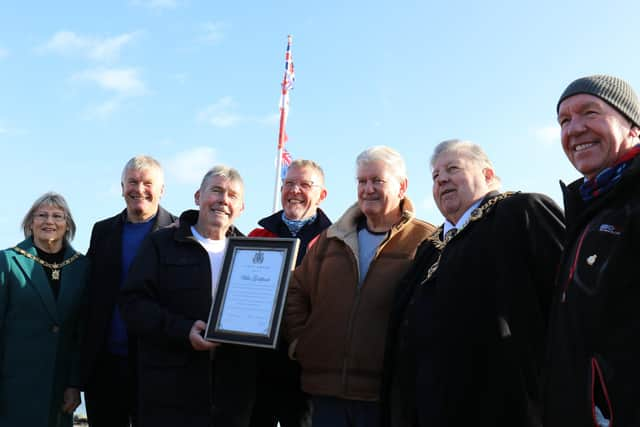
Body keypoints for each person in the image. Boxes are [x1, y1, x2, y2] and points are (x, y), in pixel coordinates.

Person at [382, 139, 565, 427]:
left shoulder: (521, 212)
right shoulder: (428, 248)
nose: (441, 179)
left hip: (503, 405)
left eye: (452, 168)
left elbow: (569, 306)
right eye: (435, 176)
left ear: (487, 175)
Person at [285, 146, 434, 427]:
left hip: (386, 397)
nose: (368, 189)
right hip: (326, 396)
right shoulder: (330, 239)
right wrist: (300, 342)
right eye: (362, 181)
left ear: (402, 186)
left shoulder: (426, 240)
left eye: (377, 180)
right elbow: (296, 289)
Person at [121, 165, 251, 427]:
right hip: (169, 395)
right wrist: (182, 330)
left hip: (230, 398)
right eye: (216, 191)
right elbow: (133, 304)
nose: (223, 200)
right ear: (197, 197)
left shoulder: (252, 254)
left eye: (232, 195)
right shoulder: (161, 243)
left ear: (241, 208)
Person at [545, 75, 640, 427]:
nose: (575, 129)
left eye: (590, 112)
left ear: (633, 128)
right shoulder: (587, 211)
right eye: (564, 121)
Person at [81, 155, 176, 427]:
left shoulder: (180, 232)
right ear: (122, 187)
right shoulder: (102, 231)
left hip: (157, 365)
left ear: (162, 190)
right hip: (106, 366)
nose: (140, 189)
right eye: (132, 182)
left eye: (148, 183)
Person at [248, 159, 331, 427]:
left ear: (322, 194)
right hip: (260, 364)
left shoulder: (337, 241)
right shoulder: (257, 236)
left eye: (305, 184)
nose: (295, 190)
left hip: (307, 366)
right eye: (289, 183)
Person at [0, 192, 89, 427]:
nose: (49, 221)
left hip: (61, 390)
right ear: (30, 222)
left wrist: (74, 384)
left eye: (57, 216)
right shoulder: (8, 262)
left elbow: (82, 331)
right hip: (14, 386)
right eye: (42, 215)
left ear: (67, 224)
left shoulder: (82, 267)